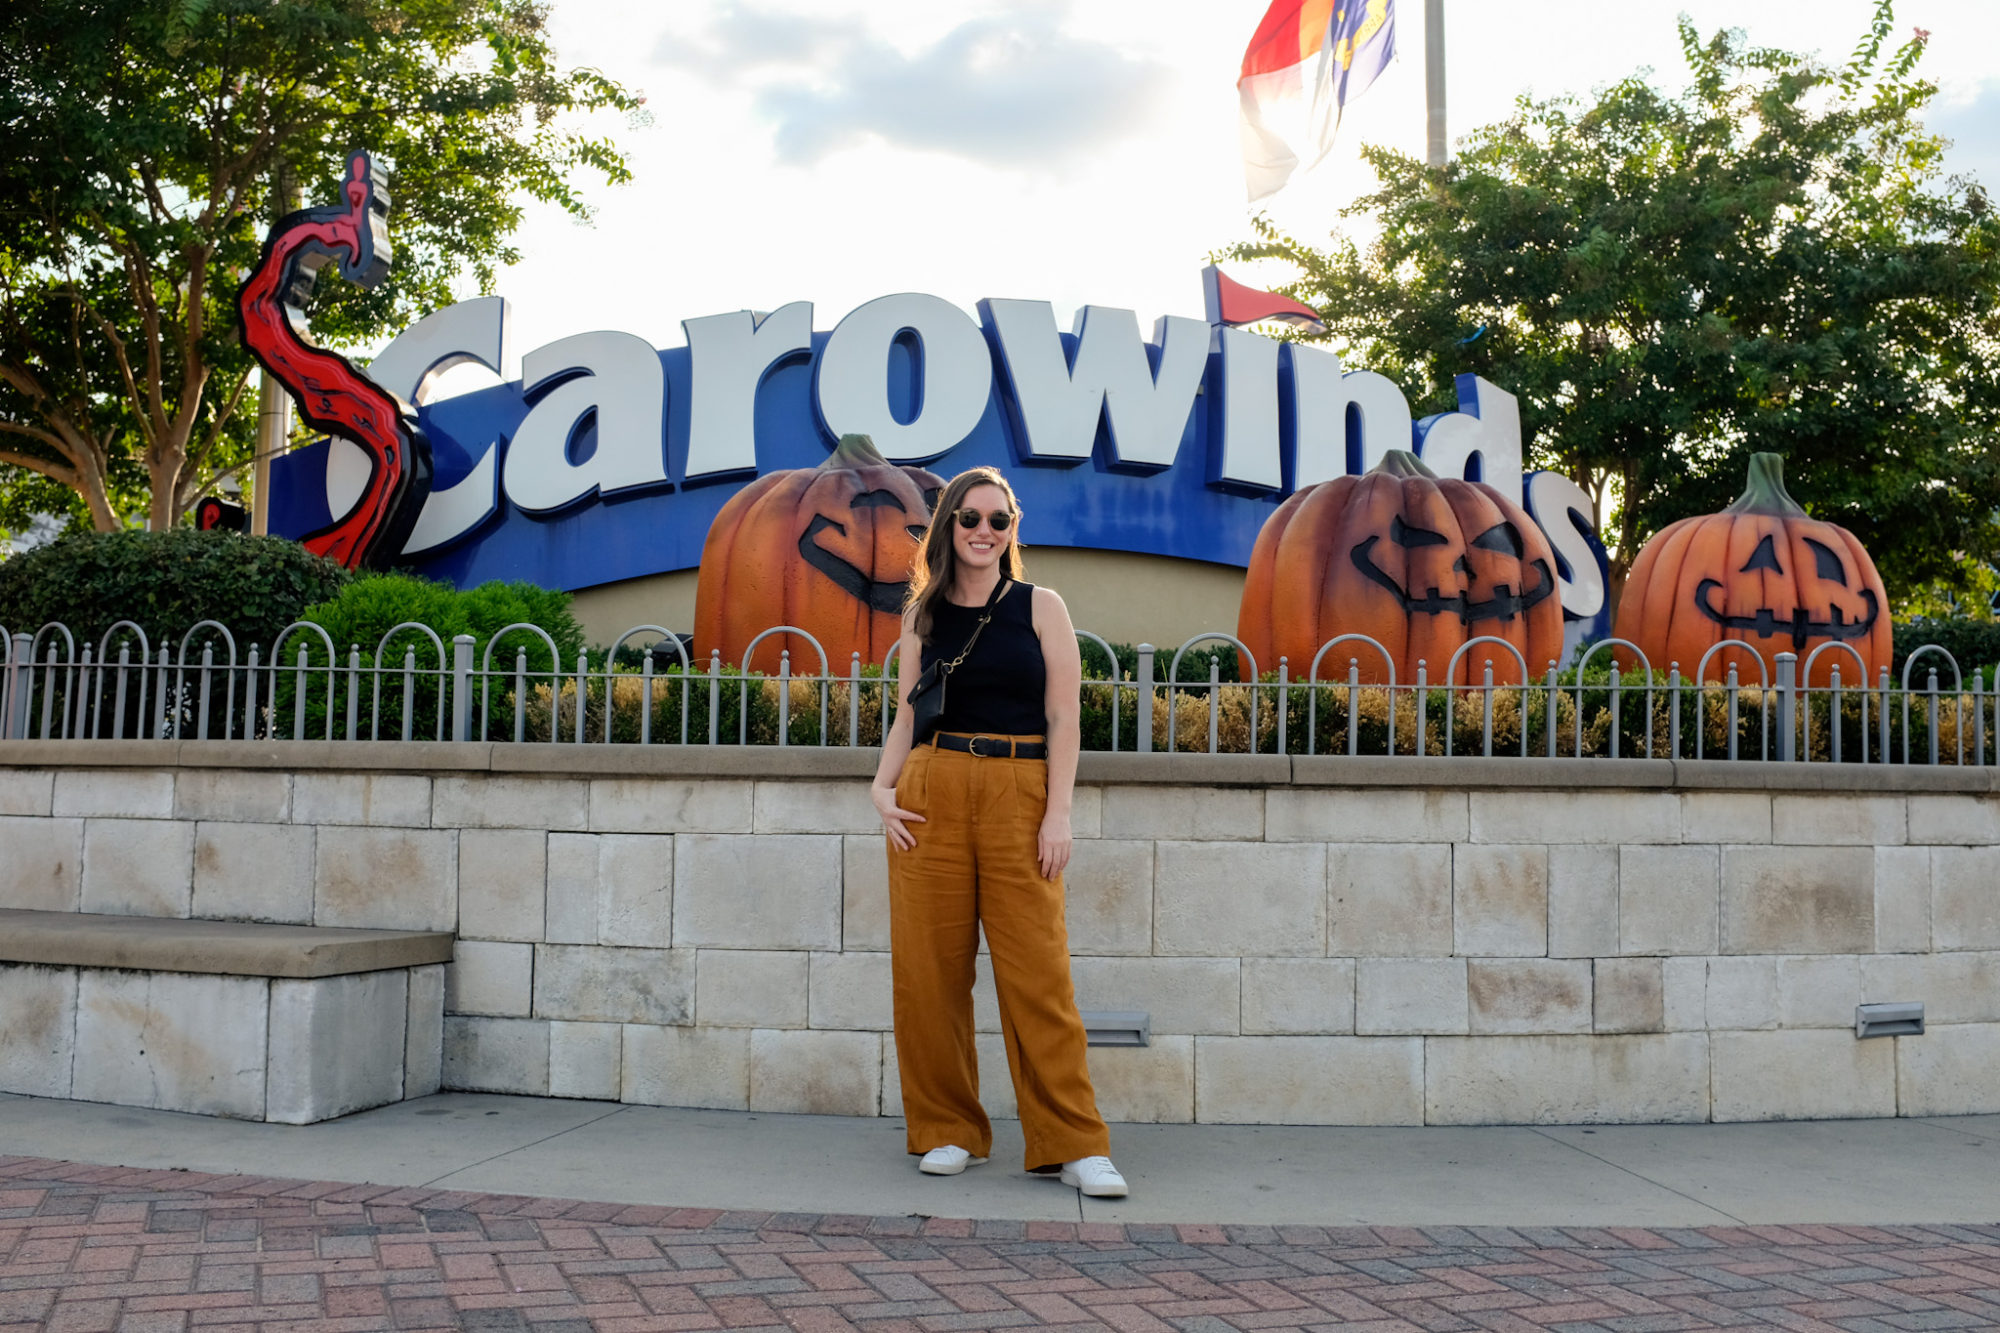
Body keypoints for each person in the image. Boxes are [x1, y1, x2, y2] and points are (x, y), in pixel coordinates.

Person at [869, 466, 1128, 1199]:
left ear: (1013, 529)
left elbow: (1065, 720)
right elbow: (909, 713)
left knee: (1038, 975)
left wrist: (1060, 812)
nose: (984, 531)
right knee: (929, 975)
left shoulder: (1040, 607)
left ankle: (1073, 1142)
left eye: (999, 519)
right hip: (931, 791)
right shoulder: (921, 616)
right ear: (948, 524)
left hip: (1020, 791)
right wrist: (880, 786)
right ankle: (949, 1128)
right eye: (970, 518)